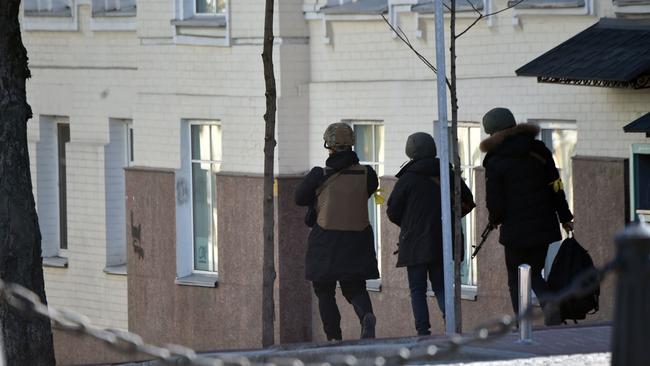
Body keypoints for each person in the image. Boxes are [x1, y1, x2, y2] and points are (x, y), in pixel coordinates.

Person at [479, 107, 574, 326]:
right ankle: (549, 305)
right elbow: (556, 186)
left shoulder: (495, 160)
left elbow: (495, 201)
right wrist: (565, 217)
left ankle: (522, 324)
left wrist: (495, 220)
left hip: (515, 230)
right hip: (544, 225)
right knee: (535, 272)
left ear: (493, 132)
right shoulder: (539, 150)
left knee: (516, 278)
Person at [295, 122, 380, 341]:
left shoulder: (318, 175)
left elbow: (299, 198)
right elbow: (367, 192)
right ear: (352, 144)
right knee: (355, 287)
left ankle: (334, 338)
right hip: (357, 239)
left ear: (328, 145)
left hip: (326, 240)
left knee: (324, 291)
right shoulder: (368, 174)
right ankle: (367, 316)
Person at [386, 132, 474, 336]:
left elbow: (392, 211)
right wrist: (450, 219)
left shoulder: (407, 179)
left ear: (410, 152)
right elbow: (468, 202)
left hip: (415, 243)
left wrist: (408, 225)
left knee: (417, 290)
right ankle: (451, 325)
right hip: (442, 241)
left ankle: (423, 331)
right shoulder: (448, 174)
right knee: (441, 287)